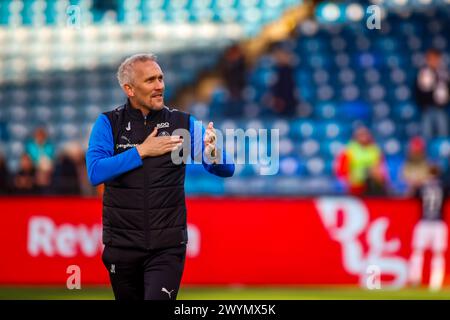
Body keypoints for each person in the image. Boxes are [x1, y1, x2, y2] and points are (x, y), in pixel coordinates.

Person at [86, 53, 234, 300]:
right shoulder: (109, 123)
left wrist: (213, 152)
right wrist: (142, 151)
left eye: (161, 78)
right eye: (150, 80)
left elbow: (226, 169)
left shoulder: (182, 123)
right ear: (129, 89)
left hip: (167, 247)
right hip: (121, 246)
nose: (159, 86)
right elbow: (95, 172)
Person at [409, 165, 448, 291]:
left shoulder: (423, 186)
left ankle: (415, 279)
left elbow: (412, 195)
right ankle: (435, 283)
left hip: (424, 221)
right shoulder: (444, 186)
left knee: (418, 252)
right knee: (438, 254)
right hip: (438, 223)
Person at [334, 126, 387, 196]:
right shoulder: (348, 150)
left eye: (365, 134)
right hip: (354, 187)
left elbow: (381, 168)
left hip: (372, 186)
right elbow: (341, 170)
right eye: (361, 135)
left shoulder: (375, 150)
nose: (364, 137)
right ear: (355, 136)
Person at [414, 48, 450, 139]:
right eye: (431, 58)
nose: (434, 61)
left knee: (443, 132)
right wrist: (423, 104)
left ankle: (443, 152)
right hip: (427, 108)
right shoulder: (423, 72)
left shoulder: (444, 72)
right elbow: (419, 90)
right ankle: (428, 152)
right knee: (426, 134)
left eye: (436, 58)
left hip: (441, 108)